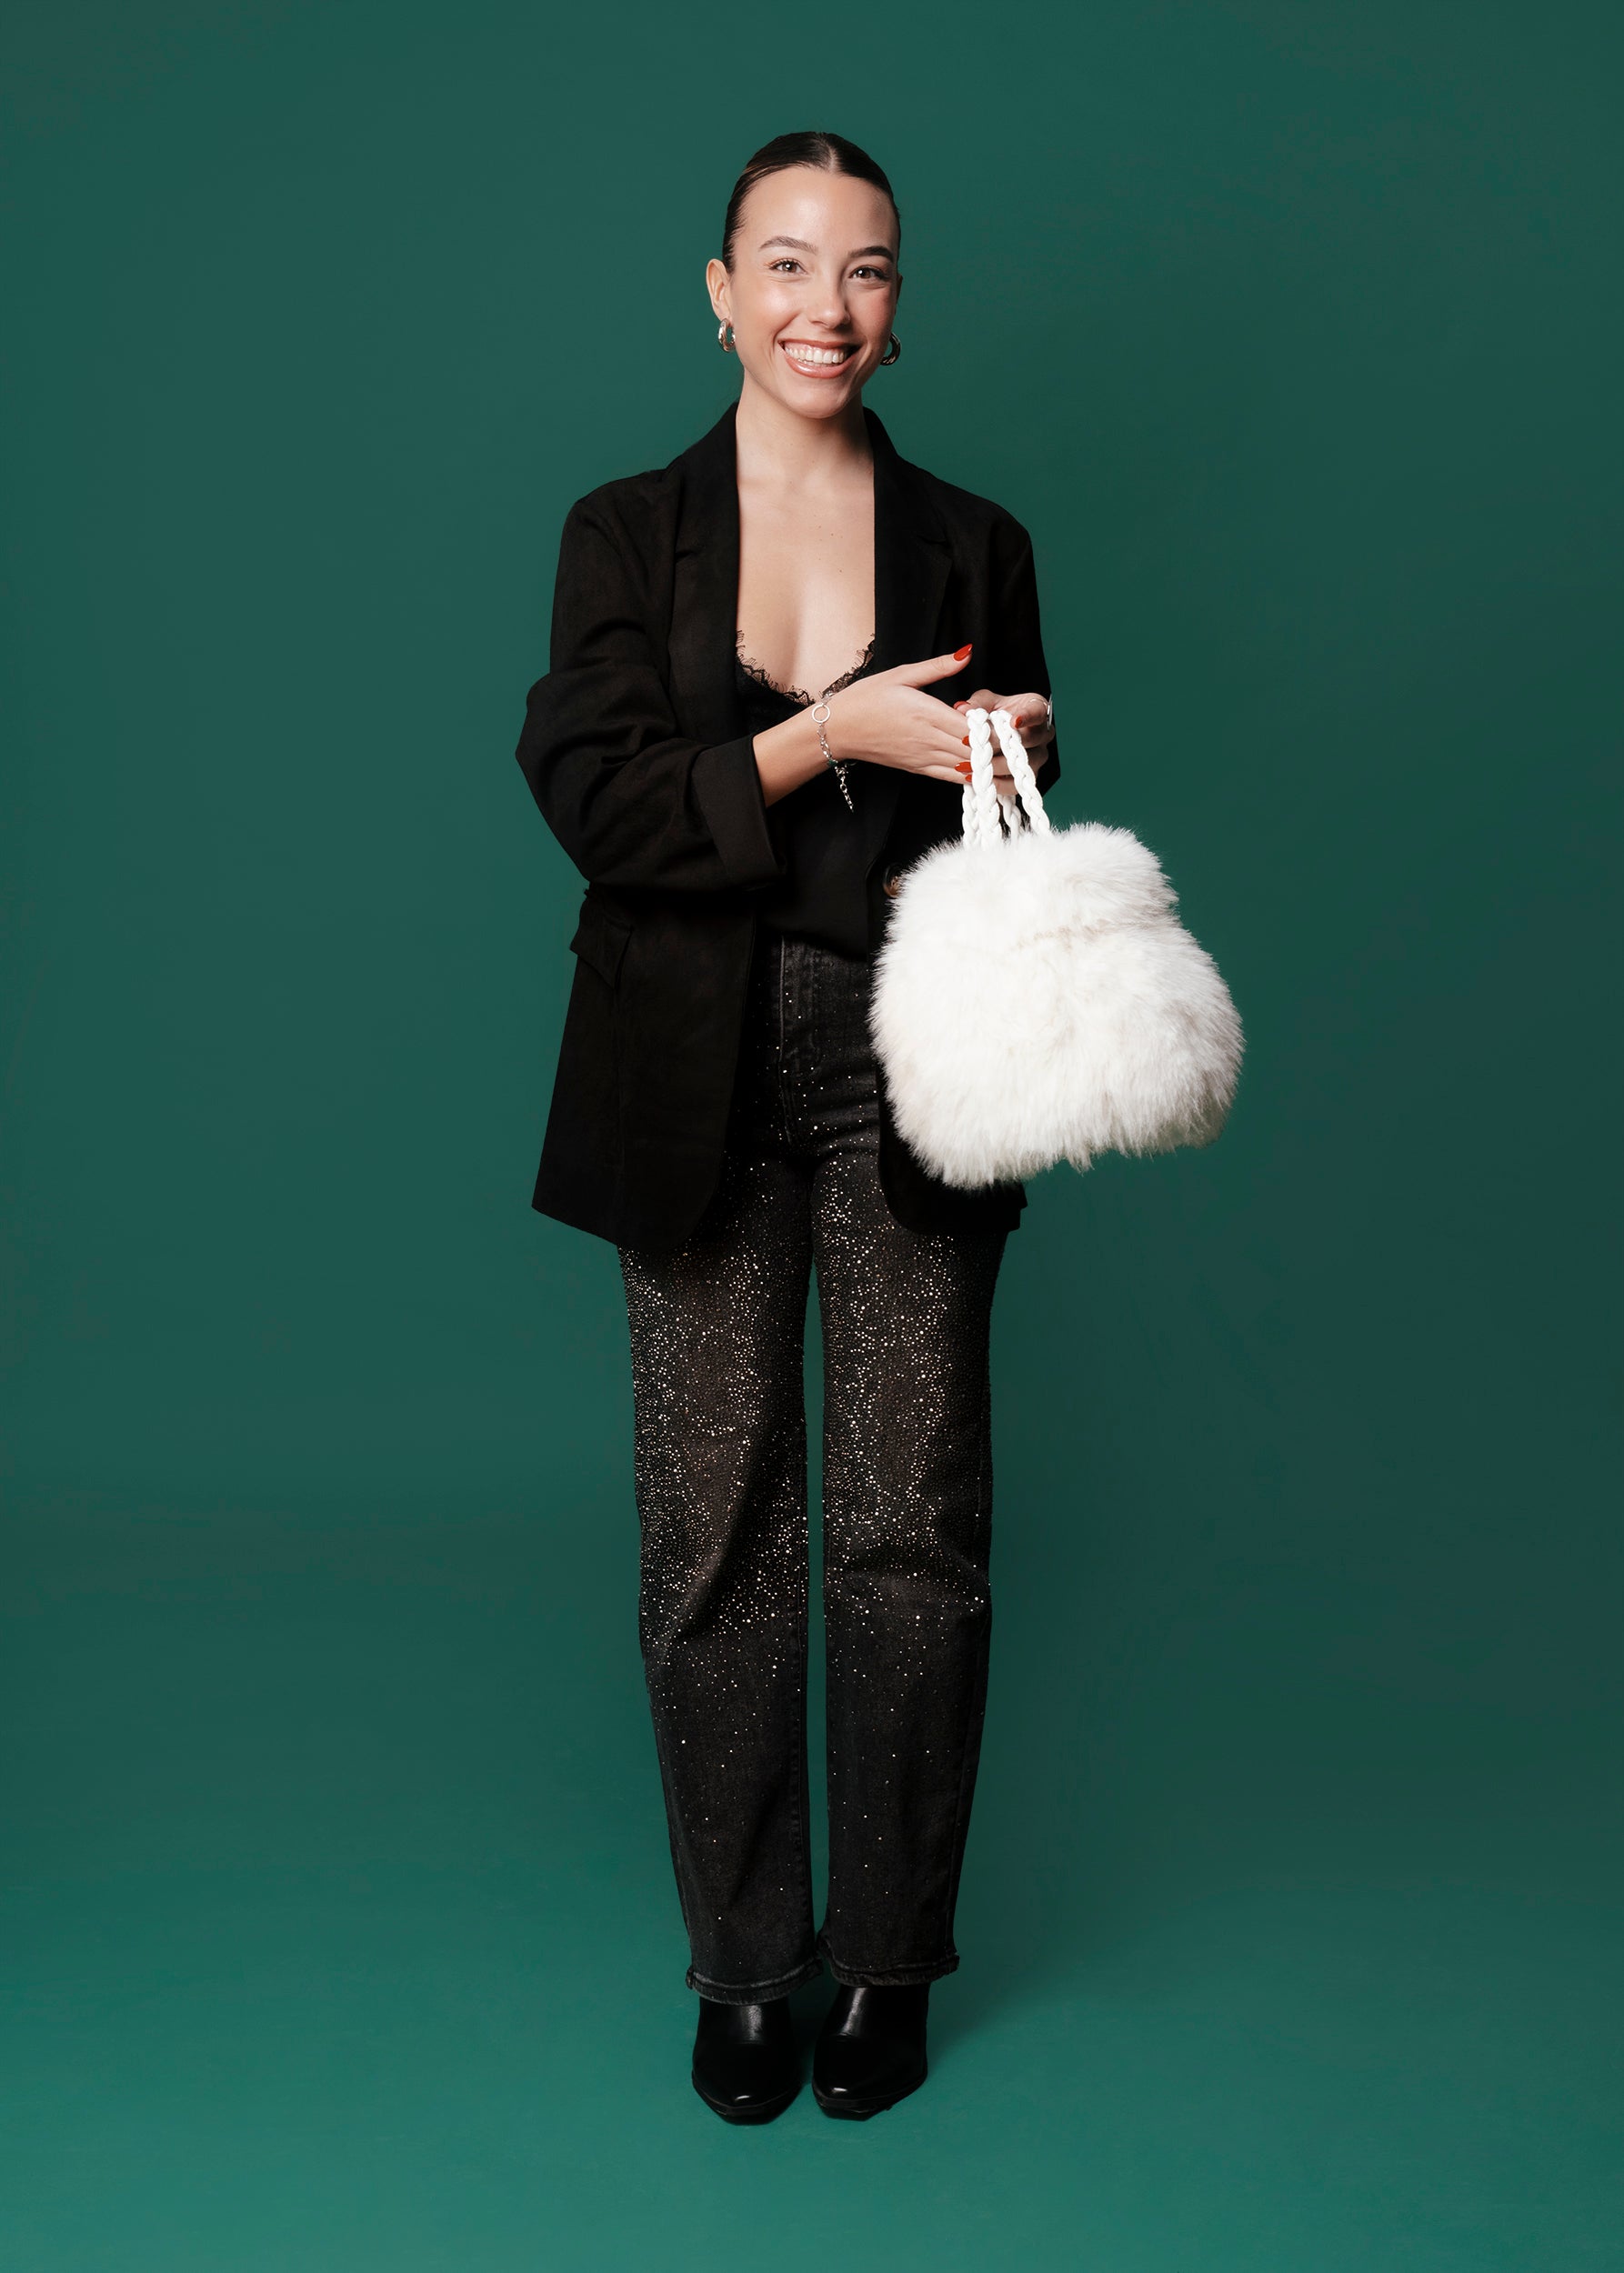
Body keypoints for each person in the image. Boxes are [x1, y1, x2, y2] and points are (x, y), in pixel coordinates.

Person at [515, 130, 1059, 2123]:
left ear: (897, 306)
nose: (828, 306)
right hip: (684, 1059)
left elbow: (1020, 800)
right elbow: (600, 802)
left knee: (913, 1526)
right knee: (712, 1528)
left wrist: (1002, 747)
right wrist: (827, 729)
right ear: (721, 290)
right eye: (789, 263)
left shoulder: (975, 540)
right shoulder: (623, 530)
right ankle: (746, 1965)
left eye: (868, 269)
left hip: (913, 1054)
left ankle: (887, 1960)